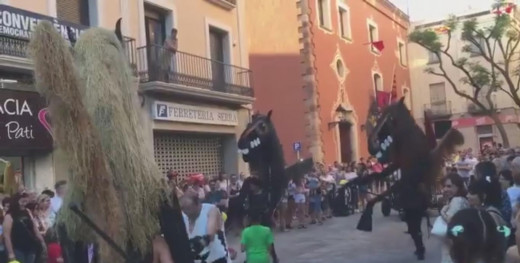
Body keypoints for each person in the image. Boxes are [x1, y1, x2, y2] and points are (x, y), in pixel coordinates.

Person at [180, 195, 231, 263]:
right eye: (183, 208)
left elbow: (210, 235)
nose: (186, 211)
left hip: (217, 259)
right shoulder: (184, 217)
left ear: (197, 203)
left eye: (188, 208)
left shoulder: (210, 210)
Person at [3, 193, 44, 263]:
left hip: (31, 247)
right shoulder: (9, 216)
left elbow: (34, 228)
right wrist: (10, 253)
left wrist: (42, 241)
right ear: (16, 201)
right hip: (17, 248)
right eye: (22, 201)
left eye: (26, 201)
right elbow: (6, 236)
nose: (24, 204)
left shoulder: (27, 212)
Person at [439, 173, 470, 263]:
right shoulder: (461, 199)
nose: (445, 189)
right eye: (444, 186)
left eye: (449, 186)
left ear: (458, 187)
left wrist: (442, 212)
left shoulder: (457, 201)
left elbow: (451, 220)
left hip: (454, 244)